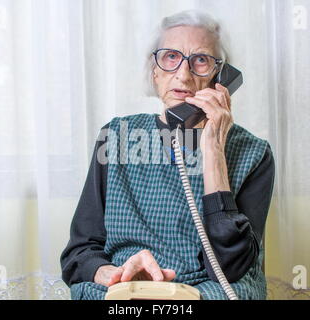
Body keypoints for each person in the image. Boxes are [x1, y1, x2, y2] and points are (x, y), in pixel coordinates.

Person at [60, 10, 275, 300]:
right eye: (171, 56)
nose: (183, 75)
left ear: (220, 78)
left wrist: (213, 149)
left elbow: (230, 268)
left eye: (201, 60)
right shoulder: (116, 136)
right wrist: (118, 276)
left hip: (207, 289)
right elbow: (79, 253)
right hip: (127, 285)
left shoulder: (254, 153)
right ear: (154, 70)